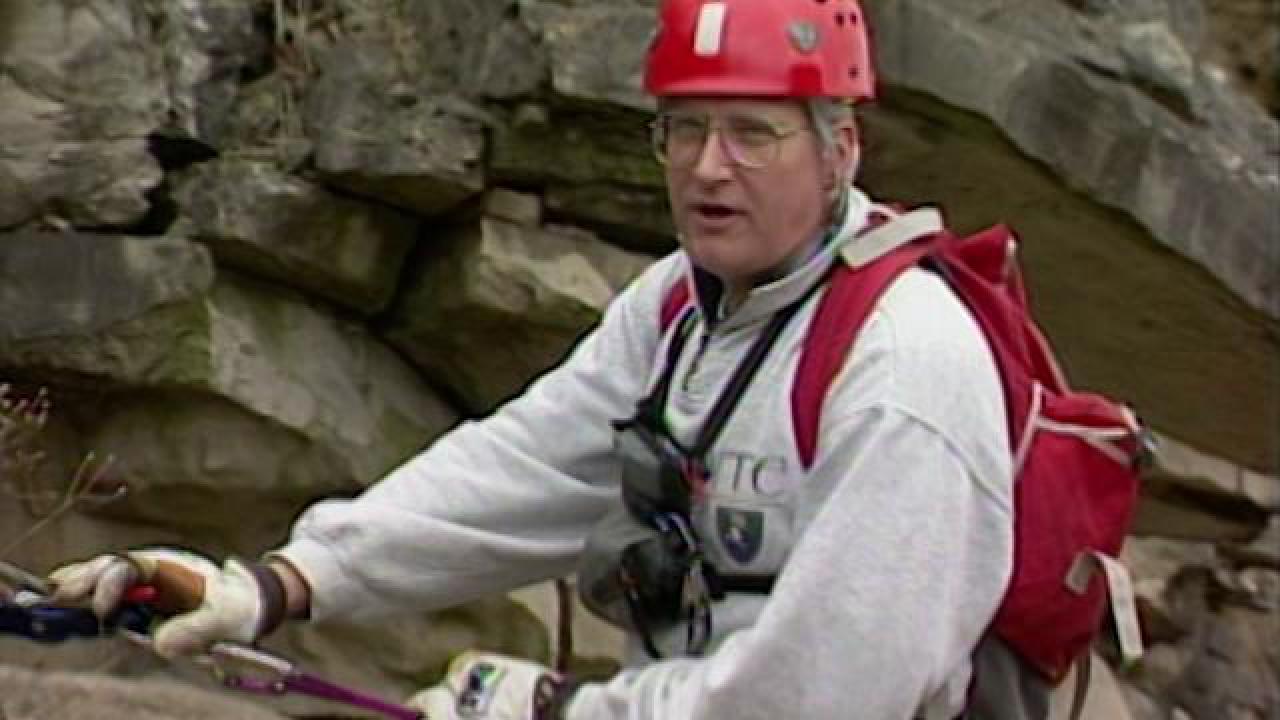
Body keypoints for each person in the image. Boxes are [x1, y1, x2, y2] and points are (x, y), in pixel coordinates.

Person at [50, 0, 1015, 717]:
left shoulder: (902, 370)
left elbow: (829, 695)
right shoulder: (681, 307)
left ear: (840, 151)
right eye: (685, 128)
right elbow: (527, 465)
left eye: (753, 133)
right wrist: (271, 586)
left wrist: (559, 710)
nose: (708, 166)